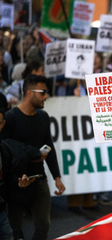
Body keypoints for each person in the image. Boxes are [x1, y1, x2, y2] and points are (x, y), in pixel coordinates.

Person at [2, 74, 65, 240]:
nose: (46, 96)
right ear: (29, 93)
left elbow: (49, 147)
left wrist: (57, 177)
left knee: (44, 225)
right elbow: (5, 147)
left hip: (39, 178)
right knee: (14, 228)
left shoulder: (43, 117)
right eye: (43, 92)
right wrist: (32, 153)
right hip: (16, 182)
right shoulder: (11, 118)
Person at [0, 106, 35, 240]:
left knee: (8, 235)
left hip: (1, 209)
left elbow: (8, 178)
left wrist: (19, 182)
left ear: (3, 125)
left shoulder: (4, 150)